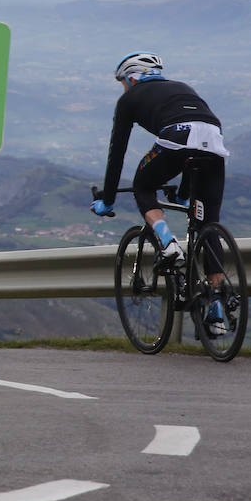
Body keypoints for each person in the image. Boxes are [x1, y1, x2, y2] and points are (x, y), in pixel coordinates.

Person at [90, 52, 231, 328]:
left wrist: (107, 200)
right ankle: (216, 308)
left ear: (132, 78)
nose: (123, 87)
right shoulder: (183, 88)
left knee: (143, 186)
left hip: (176, 138)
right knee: (208, 224)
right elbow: (196, 146)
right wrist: (182, 194)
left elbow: (116, 154)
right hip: (213, 141)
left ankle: (168, 244)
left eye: (122, 82)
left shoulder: (129, 99)